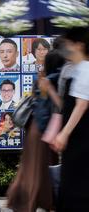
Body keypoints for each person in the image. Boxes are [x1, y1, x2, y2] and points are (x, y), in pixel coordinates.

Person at [7, 50, 65, 212]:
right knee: (39, 169)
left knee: (34, 168)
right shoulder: (53, 80)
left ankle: (32, 201)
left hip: (35, 129)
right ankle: (32, 202)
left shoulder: (41, 78)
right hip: (45, 131)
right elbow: (60, 107)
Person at [52, 27, 89, 211]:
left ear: (79, 45)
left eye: (69, 43)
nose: (65, 46)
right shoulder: (74, 69)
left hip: (81, 139)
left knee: (77, 185)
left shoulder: (85, 69)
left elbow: (81, 105)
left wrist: (64, 134)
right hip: (76, 139)